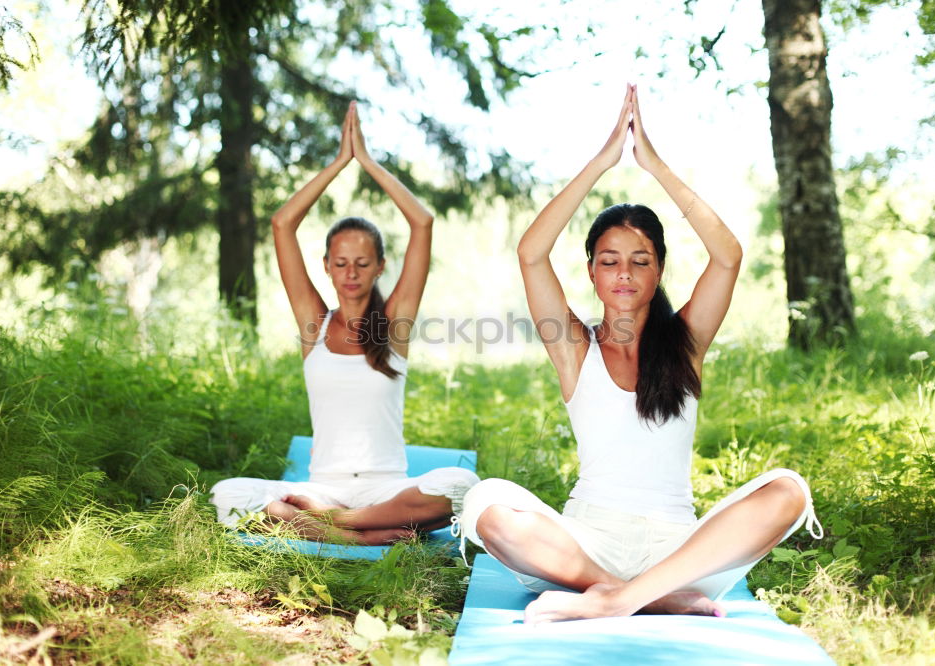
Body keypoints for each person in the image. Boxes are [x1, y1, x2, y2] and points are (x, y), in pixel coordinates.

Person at [458, 84, 822, 622]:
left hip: (679, 551)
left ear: (658, 270)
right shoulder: (574, 346)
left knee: (788, 490)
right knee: (484, 505)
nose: (624, 273)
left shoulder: (686, 341)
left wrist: (653, 166)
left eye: (640, 260)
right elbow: (531, 253)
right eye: (609, 261)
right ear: (591, 272)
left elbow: (727, 256)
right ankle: (646, 598)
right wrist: (603, 163)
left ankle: (626, 597)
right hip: (586, 546)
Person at [211, 101, 479, 545]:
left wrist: (368, 162)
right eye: (341, 263)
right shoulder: (313, 324)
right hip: (322, 488)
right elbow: (282, 224)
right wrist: (339, 163)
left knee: (460, 489)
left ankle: (340, 524)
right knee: (227, 496)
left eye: (361, 263)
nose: (351, 273)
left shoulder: (395, 325)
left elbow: (423, 222)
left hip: (386, 487)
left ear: (379, 267)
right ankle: (360, 534)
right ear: (327, 267)